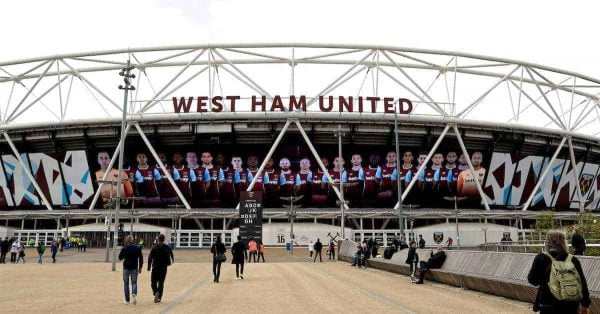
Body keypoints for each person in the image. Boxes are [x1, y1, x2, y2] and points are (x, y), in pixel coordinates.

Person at [528, 231, 591, 314]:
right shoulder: (572, 259)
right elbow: (582, 283)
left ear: (547, 243)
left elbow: (532, 280)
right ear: (563, 242)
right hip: (570, 305)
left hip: (548, 304)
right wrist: (585, 304)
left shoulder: (541, 258)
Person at [147, 234, 173, 303]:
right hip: (163, 268)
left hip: (155, 267)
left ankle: (155, 292)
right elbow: (171, 256)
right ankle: (159, 298)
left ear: (158, 239)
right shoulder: (167, 247)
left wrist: (149, 267)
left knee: (153, 282)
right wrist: (171, 262)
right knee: (161, 283)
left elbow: (150, 257)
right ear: (164, 239)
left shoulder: (154, 247)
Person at [118, 235, 143, 305]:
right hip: (134, 267)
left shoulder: (124, 248)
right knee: (134, 283)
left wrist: (124, 255)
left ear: (126, 241)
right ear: (132, 240)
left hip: (126, 267)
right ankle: (134, 293)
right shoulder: (137, 248)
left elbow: (120, 257)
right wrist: (140, 267)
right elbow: (141, 259)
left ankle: (127, 300)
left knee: (126, 284)